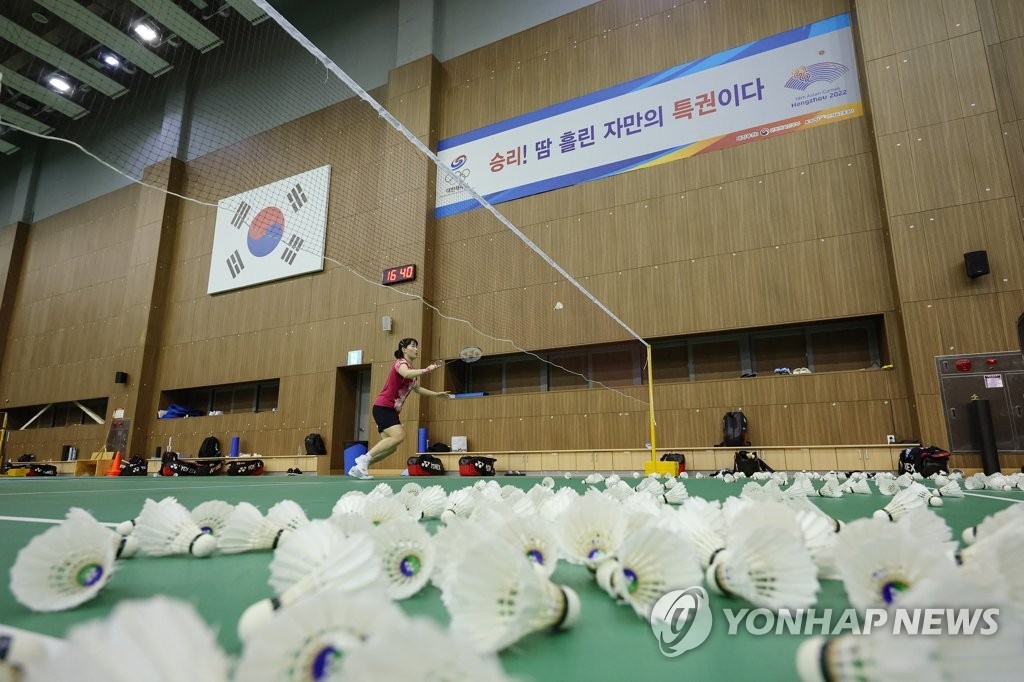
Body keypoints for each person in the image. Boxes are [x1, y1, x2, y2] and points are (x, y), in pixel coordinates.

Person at [348, 338, 451, 479]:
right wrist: (427, 370)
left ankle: (360, 467)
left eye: (417, 347)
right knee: (399, 436)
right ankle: (363, 459)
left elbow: (417, 389)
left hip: (390, 410)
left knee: (391, 447)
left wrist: (436, 395)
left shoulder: (412, 370)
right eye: (413, 346)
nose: (416, 349)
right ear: (404, 349)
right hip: (384, 406)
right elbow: (406, 374)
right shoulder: (400, 363)